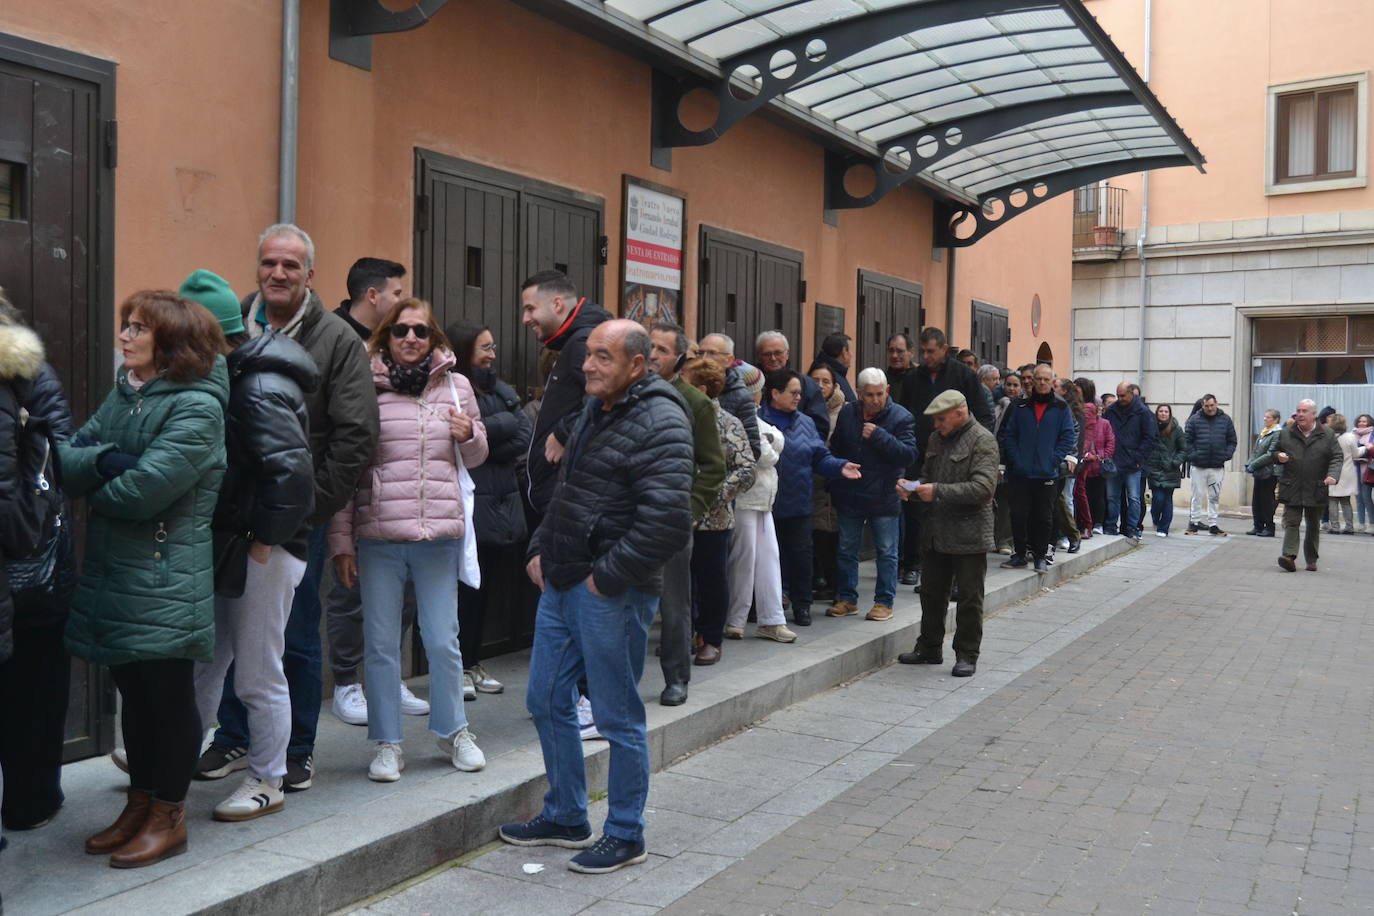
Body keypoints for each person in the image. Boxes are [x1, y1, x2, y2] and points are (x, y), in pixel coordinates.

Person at [499, 319, 693, 875]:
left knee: (616, 716)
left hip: (610, 590)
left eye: (603, 357)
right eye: (588, 355)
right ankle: (565, 815)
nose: (588, 366)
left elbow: (667, 523)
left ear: (638, 364)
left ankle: (627, 832)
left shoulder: (661, 418)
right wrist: (541, 546)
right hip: (562, 581)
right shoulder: (595, 409)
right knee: (545, 700)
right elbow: (567, 490)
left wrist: (604, 578)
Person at [201, 224, 380, 793]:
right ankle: (233, 737)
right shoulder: (234, 325)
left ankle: (296, 749)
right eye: (269, 263)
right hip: (232, 514)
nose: (278, 273)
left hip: (296, 510)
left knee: (294, 635)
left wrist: (303, 510)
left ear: (310, 275)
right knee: (232, 631)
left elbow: (355, 437)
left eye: (291, 265)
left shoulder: (336, 338)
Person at [63, 290, 228, 867]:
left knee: (168, 697)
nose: (125, 336)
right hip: (119, 572)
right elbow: (66, 458)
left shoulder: (198, 406)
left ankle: (170, 814)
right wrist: (109, 461)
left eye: (138, 328)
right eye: (126, 325)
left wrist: (97, 479)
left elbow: (143, 492)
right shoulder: (127, 394)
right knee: (133, 693)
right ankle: (139, 803)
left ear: (171, 342)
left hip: (164, 575)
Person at [328, 299, 488, 781]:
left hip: (438, 534)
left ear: (433, 335)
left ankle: (453, 731)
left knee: (443, 642)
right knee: (379, 644)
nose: (411, 338)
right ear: (385, 336)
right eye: (401, 330)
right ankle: (387, 743)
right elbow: (347, 468)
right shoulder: (364, 387)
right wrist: (341, 541)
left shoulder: (457, 387)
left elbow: (478, 456)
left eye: (421, 330)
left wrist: (468, 436)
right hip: (378, 535)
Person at [178, 269, 317, 824]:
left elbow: (292, 477)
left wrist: (264, 539)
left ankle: (268, 779)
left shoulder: (255, 385)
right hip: (241, 543)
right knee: (210, 664)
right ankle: (172, 756)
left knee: (259, 671)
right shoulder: (240, 375)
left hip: (261, 548)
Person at [0, 293, 75, 835]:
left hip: (29, 568)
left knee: (36, 683)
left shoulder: (28, 375)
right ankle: (34, 799)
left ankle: (32, 798)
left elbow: (60, 460)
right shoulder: (33, 372)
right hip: (29, 562)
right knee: (36, 687)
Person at [325, 257, 410, 727]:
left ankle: (386, 677)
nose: (402, 304)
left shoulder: (393, 343)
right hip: (347, 481)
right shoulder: (334, 338)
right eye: (397, 293)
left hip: (394, 484)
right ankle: (346, 683)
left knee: (400, 589)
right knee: (348, 586)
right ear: (373, 295)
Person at [448, 320, 532, 696]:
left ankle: (473, 661)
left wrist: (480, 439)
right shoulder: (451, 388)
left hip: (501, 503)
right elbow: (458, 444)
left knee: (486, 590)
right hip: (469, 505)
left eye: (493, 346)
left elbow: (525, 434)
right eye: (485, 347)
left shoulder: (501, 390)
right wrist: (486, 438)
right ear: (465, 350)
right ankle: (458, 666)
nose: (492, 354)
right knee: (463, 591)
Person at [648, 323, 725, 706]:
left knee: (674, 603)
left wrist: (689, 511)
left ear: (679, 359)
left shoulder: (695, 402)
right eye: (648, 346)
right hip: (631, 516)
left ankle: (677, 677)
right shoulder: (628, 393)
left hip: (673, 517)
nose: (652, 355)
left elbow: (713, 465)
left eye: (661, 349)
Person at [896, 390, 998, 677]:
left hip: (970, 532)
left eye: (941, 419)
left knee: (968, 598)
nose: (936, 425)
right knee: (931, 594)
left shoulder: (983, 440)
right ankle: (929, 646)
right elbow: (929, 479)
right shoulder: (936, 440)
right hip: (937, 531)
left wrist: (936, 491)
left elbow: (983, 489)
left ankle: (967, 654)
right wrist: (913, 489)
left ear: (959, 412)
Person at [759, 369, 861, 627]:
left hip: (798, 501)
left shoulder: (805, 422)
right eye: (793, 393)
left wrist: (839, 467)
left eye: (799, 393)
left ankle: (802, 605)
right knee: (766, 558)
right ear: (774, 394)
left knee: (801, 556)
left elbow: (819, 456)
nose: (797, 397)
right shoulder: (758, 419)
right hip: (764, 504)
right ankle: (765, 606)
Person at [826, 368, 918, 622]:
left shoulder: (901, 417)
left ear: (887, 391)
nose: (875, 400)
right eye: (869, 395)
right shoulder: (847, 413)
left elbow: (909, 455)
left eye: (880, 394)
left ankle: (884, 602)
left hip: (884, 494)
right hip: (851, 492)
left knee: (887, 551)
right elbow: (836, 448)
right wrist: (837, 475)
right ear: (859, 393)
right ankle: (847, 598)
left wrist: (880, 436)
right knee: (846, 549)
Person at [680, 358, 755, 665]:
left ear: (701, 388)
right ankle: (683, 634)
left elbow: (746, 469)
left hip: (714, 519)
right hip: (677, 516)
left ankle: (710, 638)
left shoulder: (728, 422)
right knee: (681, 581)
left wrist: (712, 494)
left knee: (711, 580)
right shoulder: (676, 418)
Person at [521, 270, 612, 517]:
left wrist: (564, 433)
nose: (525, 319)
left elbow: (606, 396)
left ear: (557, 304)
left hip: (568, 497)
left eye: (530, 309)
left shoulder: (583, 342)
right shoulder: (579, 339)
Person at [725, 367, 793, 643]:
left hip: (763, 500)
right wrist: (774, 441)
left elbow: (776, 441)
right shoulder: (740, 417)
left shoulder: (755, 418)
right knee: (744, 559)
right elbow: (765, 455)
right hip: (744, 498)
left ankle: (771, 619)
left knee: (768, 559)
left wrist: (774, 441)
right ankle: (735, 619)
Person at [998, 364, 1076, 573]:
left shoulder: (1060, 408)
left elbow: (1068, 436)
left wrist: (1054, 459)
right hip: (1020, 473)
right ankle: (1020, 554)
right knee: (1019, 514)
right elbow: (1010, 434)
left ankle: (1040, 556)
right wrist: (1015, 459)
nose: (1041, 383)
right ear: (1032, 381)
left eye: (1045, 379)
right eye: (1038, 379)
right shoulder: (1020, 406)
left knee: (1043, 516)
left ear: (1052, 382)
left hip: (1047, 472)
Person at [1275, 399, 1342, 572]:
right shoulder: (1286, 433)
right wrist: (1278, 456)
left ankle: (1311, 559)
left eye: (1304, 411)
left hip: (1316, 485)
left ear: (1314, 414)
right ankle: (1289, 556)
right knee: (1292, 522)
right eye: (1298, 410)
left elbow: (1336, 457)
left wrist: (1333, 475)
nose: (1300, 414)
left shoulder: (1326, 433)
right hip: (1292, 485)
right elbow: (1273, 452)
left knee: (1313, 524)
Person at [808, 362, 845, 602]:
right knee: (815, 534)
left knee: (835, 537)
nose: (820, 386)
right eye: (815, 380)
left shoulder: (845, 410)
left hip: (837, 481)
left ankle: (836, 584)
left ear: (834, 385)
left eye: (825, 381)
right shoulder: (803, 407)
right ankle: (818, 579)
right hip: (811, 482)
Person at [1101, 381, 1156, 540]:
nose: (1120, 398)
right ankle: (1111, 526)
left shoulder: (1143, 412)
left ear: (1132, 393)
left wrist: (1138, 458)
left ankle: (1132, 528)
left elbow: (1150, 438)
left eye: (1123, 395)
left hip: (1133, 463)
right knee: (1112, 497)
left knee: (1134, 498)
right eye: (1118, 395)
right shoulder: (1111, 411)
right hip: (1114, 462)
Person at [755, 330, 831, 439]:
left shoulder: (807, 385)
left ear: (787, 354)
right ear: (759, 356)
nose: (773, 358)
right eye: (767, 354)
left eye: (778, 353)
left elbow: (820, 426)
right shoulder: (752, 384)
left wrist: (805, 447)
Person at [698, 333, 760, 459]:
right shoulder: (690, 386)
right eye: (700, 353)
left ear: (729, 360)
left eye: (711, 353)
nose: (703, 359)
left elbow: (752, 449)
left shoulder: (741, 396)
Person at [1183, 394, 1237, 536]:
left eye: (1212, 405)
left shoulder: (1225, 420)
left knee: (1214, 496)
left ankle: (1213, 524)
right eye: (1206, 406)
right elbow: (1186, 441)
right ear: (1202, 405)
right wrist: (1193, 455)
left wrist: (1226, 455)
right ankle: (1194, 523)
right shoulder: (1194, 420)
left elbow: (1232, 440)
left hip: (1217, 466)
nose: (1210, 408)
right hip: (1198, 466)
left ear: (1216, 404)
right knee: (1197, 495)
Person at [991, 371, 1023, 554]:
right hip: (993, 456)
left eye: (1015, 385)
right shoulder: (994, 403)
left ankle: (1005, 540)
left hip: (1010, 460)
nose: (1011, 388)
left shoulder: (1019, 407)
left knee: (1007, 501)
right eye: (1008, 384)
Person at [1146, 404, 1186, 538]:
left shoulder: (1176, 430)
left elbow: (1183, 449)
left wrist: (1175, 462)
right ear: (1157, 413)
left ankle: (1164, 528)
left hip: (1170, 470)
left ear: (1170, 414)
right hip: (1154, 468)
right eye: (1161, 411)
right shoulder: (1151, 428)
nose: (1163, 414)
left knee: (1167, 499)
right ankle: (1156, 518)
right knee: (1158, 498)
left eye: (1166, 411)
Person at [1245, 408, 1282, 537]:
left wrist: (1254, 464)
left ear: (1276, 419)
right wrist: (1249, 463)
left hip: (1270, 471)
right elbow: (1256, 451)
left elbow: (1270, 454)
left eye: (1268, 417)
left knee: (1267, 500)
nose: (1265, 419)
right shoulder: (1264, 433)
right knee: (1257, 500)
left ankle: (1269, 527)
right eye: (1265, 417)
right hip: (1259, 471)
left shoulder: (1277, 433)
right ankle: (1258, 526)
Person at [1326, 414, 1360, 534]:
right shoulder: (1350, 437)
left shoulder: (1328, 437)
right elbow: (1356, 454)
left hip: (1332, 472)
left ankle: (1334, 527)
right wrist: (1365, 449)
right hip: (1347, 473)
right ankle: (1349, 527)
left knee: (1332, 501)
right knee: (1346, 501)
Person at [808, 332, 856, 403]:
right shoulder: (834, 377)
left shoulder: (819, 367)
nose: (852, 355)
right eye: (850, 351)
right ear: (844, 352)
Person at [1353, 413, 1374, 533]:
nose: (1361, 423)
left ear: (1370, 423)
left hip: (1369, 470)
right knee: (1358, 497)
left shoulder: (1373, 434)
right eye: (1360, 421)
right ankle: (1361, 523)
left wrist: (1366, 451)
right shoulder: (1353, 434)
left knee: (1366, 498)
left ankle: (1372, 523)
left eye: (1364, 421)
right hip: (1355, 468)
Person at [884, 333, 915, 403]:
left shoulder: (920, 379)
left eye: (900, 351)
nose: (894, 355)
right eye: (891, 351)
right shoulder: (882, 380)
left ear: (911, 353)